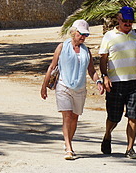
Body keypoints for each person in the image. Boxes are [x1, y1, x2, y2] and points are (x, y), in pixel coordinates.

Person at [41, 19, 103, 159]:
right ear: (73, 32)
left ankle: (68, 140)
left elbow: (91, 70)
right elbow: (52, 67)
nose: (82, 37)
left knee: (75, 117)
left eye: (85, 35)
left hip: (80, 88)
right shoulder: (62, 47)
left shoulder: (86, 51)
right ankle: (69, 148)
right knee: (67, 116)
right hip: (63, 85)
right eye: (80, 34)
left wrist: (98, 81)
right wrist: (44, 86)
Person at [98, 6, 136, 159]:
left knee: (133, 116)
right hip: (116, 83)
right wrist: (105, 76)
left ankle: (130, 149)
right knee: (114, 117)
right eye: (125, 21)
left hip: (135, 81)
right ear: (118, 20)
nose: (127, 24)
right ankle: (107, 135)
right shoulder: (109, 36)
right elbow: (103, 59)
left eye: (130, 21)